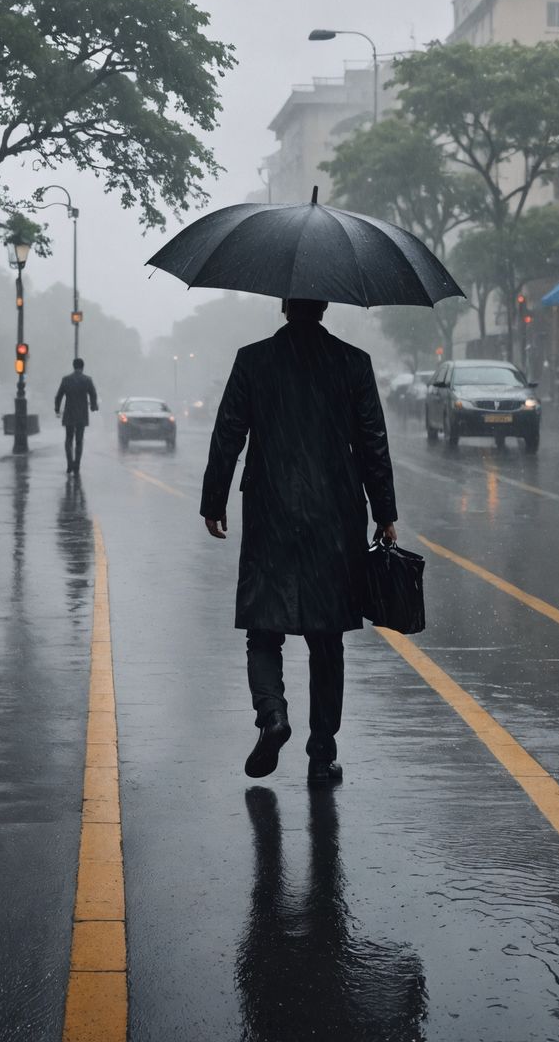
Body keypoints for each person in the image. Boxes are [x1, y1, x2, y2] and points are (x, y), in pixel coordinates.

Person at [201, 298, 398, 787]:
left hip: (270, 509)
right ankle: (321, 755)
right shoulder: (353, 362)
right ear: (325, 306)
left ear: (285, 306)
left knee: (263, 627)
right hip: (334, 513)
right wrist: (385, 512)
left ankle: (273, 715)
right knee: (327, 639)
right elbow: (372, 442)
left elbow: (228, 434)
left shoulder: (253, 360)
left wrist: (214, 499)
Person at [53, 357, 98, 473]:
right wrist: (93, 406)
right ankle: (77, 464)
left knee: (68, 439)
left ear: (73, 366)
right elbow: (93, 394)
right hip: (82, 414)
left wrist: (57, 409)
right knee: (79, 440)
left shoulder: (66, 379)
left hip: (69, 413)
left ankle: (70, 463)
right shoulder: (87, 380)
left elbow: (59, 396)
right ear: (83, 367)